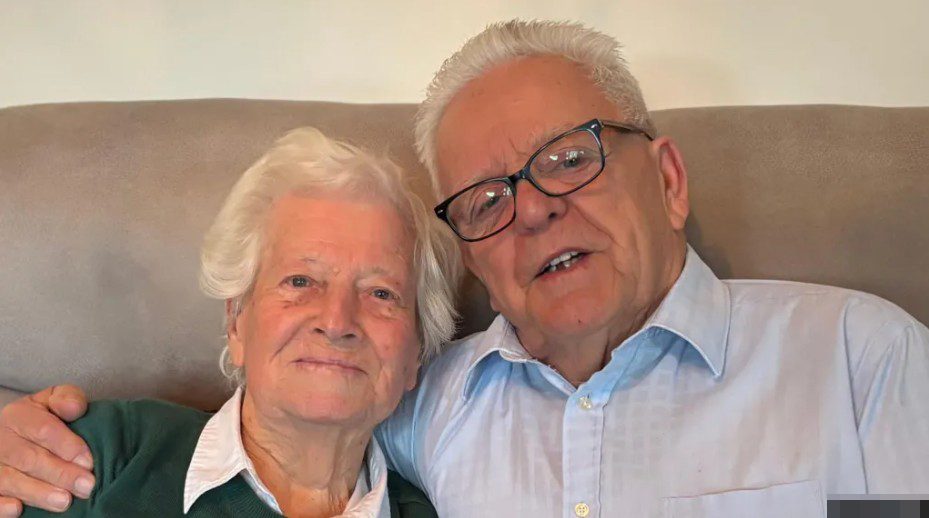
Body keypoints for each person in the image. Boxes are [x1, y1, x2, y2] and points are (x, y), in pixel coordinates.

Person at [2, 19, 929, 518]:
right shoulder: (428, 405)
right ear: (233, 320)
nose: (534, 207)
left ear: (669, 181)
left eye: (571, 157)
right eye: (487, 198)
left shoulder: (859, 360)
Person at [4, 126, 459, 517]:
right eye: (300, 281)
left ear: (415, 355)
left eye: (381, 293)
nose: (337, 321)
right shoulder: (91, 454)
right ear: (237, 322)